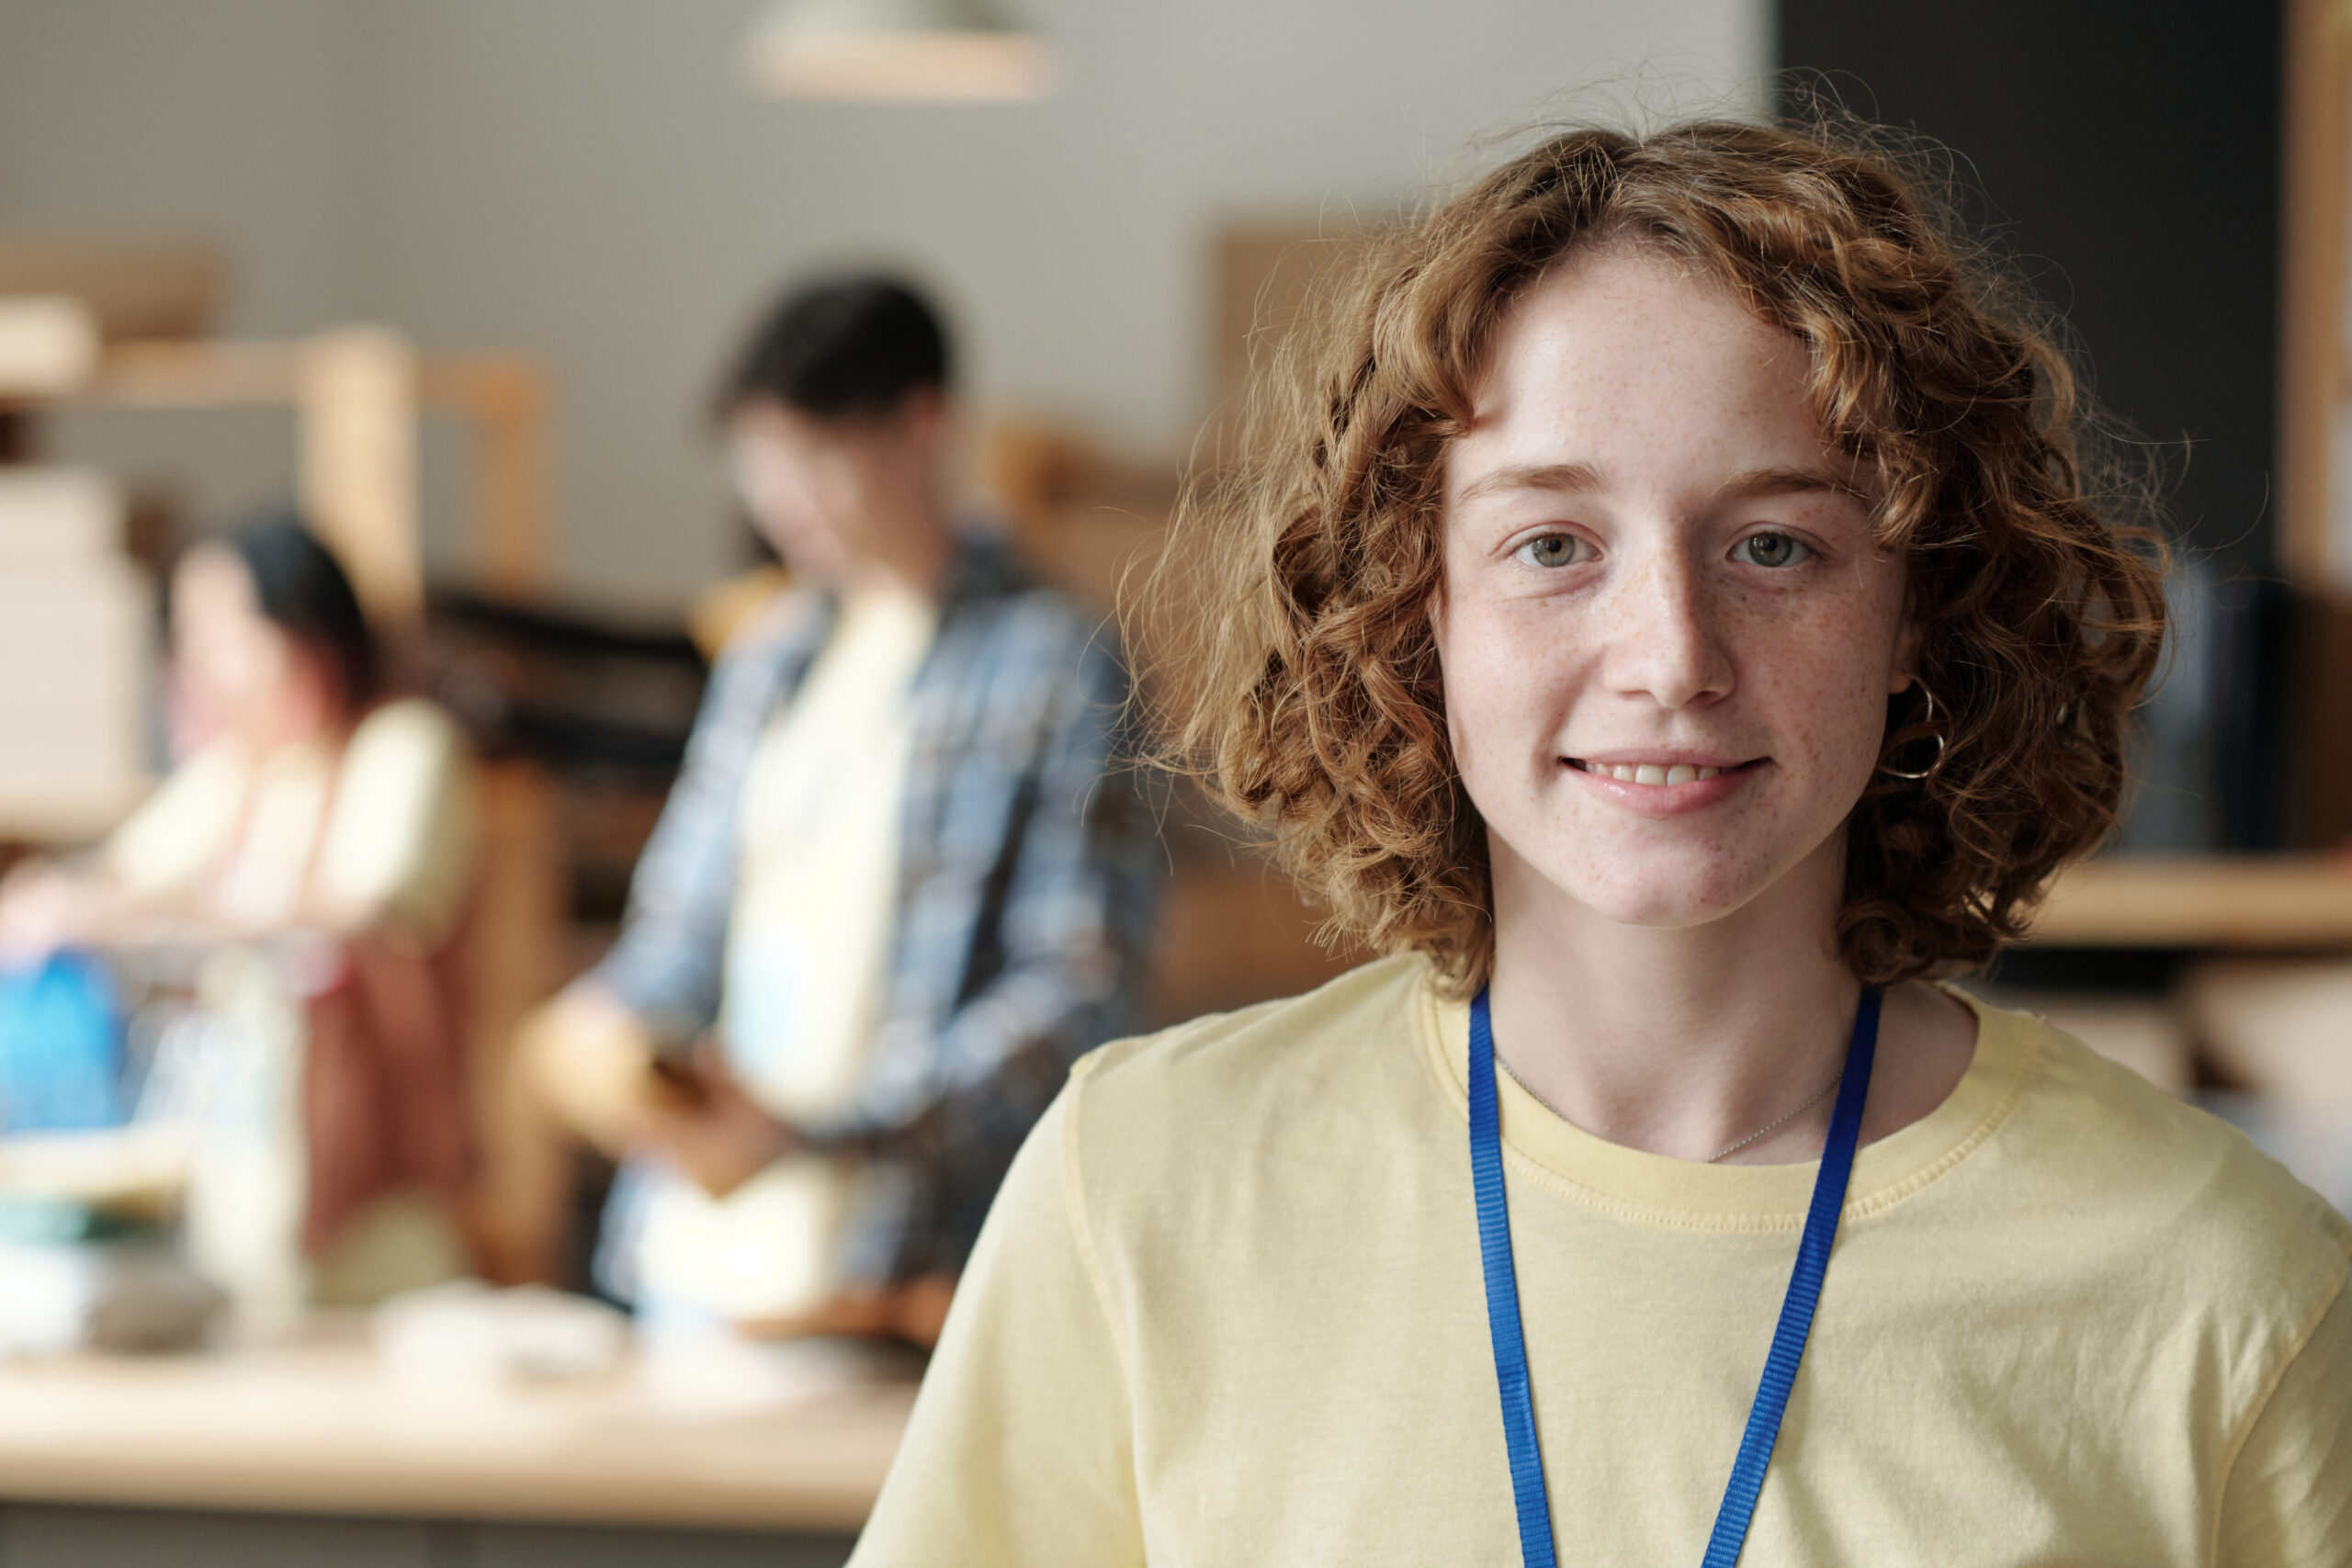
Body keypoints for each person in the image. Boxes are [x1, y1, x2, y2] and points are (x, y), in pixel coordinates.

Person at [850, 119, 2351, 1562]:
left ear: (1916, 608)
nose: (1670, 656)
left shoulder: (2227, 1286)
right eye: (1553, 544)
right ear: (1415, 607)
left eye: (1776, 543)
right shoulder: (1138, 1187)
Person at [527, 275, 1159, 1346]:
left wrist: (829, 1134)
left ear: (923, 424)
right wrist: (609, 1032)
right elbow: (679, 937)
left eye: (815, 458)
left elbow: (1077, 991)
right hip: (696, 1267)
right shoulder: (770, 655)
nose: (783, 502)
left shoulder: (1057, 662)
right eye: (761, 462)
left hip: (906, 1275)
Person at [0, 514, 478, 1309]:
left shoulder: (401, 748)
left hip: (373, 1199)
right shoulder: (240, 774)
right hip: (239, 1188)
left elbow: (364, 903)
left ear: (307, 629)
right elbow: (114, 877)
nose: (207, 665)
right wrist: (58, 903)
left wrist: (157, 917)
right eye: (191, 637)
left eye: (228, 632)